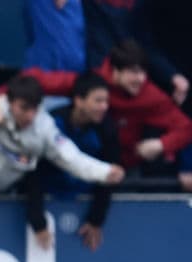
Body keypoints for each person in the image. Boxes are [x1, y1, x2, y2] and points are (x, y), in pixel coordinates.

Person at [23, 40, 192, 195]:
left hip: (125, 169)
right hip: (82, 161)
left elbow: (186, 127)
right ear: (115, 72)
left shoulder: (149, 95)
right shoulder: (92, 83)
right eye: (133, 72)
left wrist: (162, 144)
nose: (140, 79)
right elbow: (37, 82)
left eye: (143, 72)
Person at [0, 74, 125, 194]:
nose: (30, 115)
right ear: (9, 102)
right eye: (24, 108)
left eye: (35, 108)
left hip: (3, 195)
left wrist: (104, 172)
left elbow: (70, 157)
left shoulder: (44, 126)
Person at [26, 72, 120, 251]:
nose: (104, 107)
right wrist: (37, 220)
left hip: (83, 196)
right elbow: (34, 172)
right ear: (79, 100)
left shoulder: (107, 130)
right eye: (98, 101)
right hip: (49, 193)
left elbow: (108, 178)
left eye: (106, 101)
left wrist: (95, 219)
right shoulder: (52, 123)